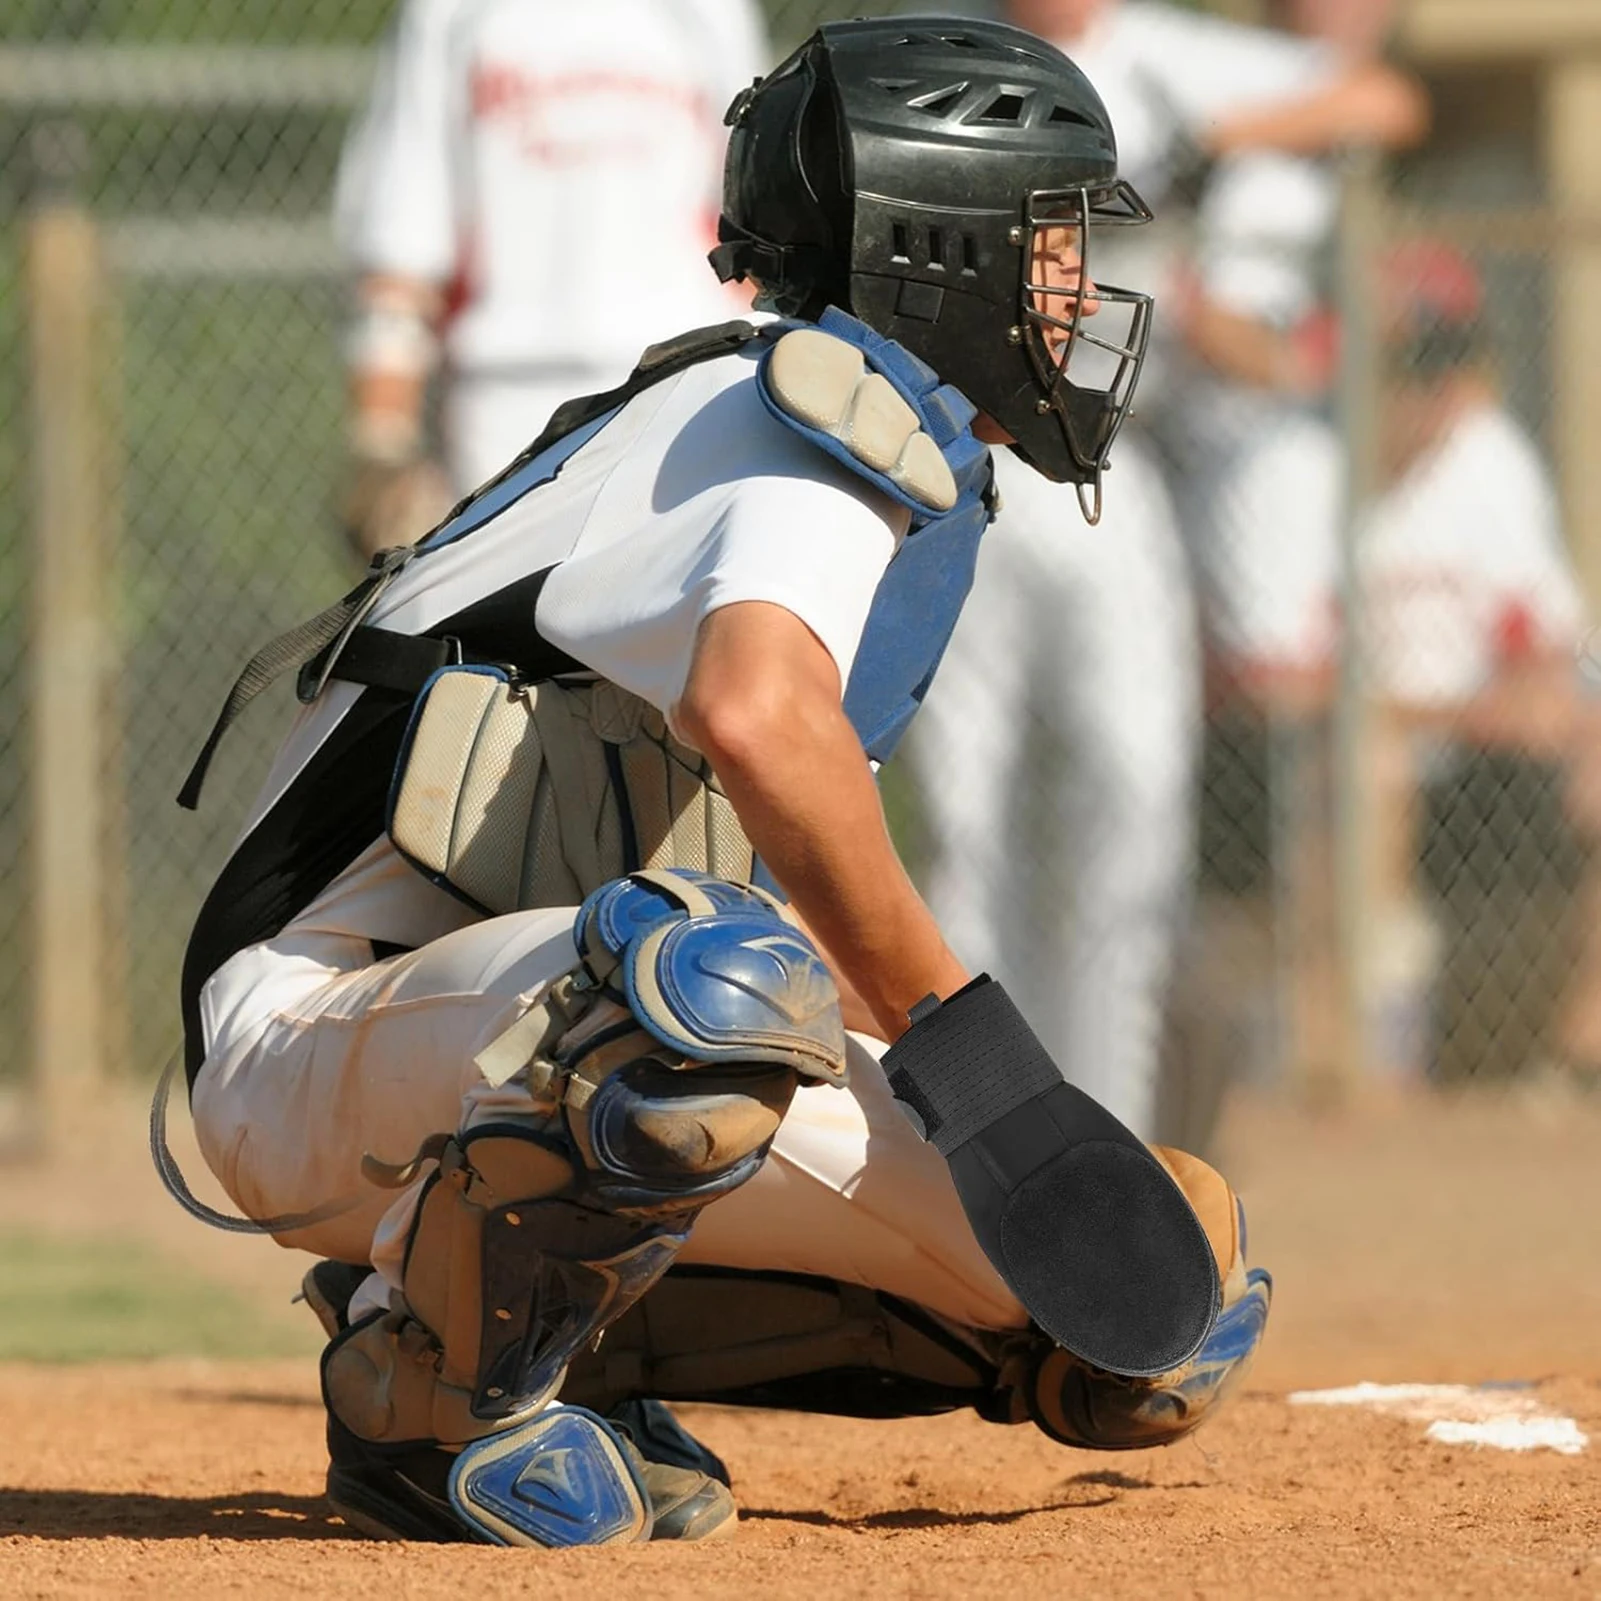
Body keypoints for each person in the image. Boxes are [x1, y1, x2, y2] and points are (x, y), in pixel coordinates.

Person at [171, 20, 1271, 1552]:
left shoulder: (833, 435)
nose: (1077, 289)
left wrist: (1025, 1154)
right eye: (1049, 240)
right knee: (712, 993)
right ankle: (424, 1388)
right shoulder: (799, 425)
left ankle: (564, 1340)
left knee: (1133, 1287)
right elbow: (756, 723)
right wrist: (989, 1079)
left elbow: (760, 839)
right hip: (311, 1033)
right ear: (935, 247)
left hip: (493, 1021)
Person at [908, 0, 1425, 1144]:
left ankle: (1107, 1130)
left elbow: (1383, 99)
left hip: (1110, 465)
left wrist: (1208, 143)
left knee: (1132, 801)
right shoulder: (938, 45)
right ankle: (970, 1131)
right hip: (953, 454)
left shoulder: (1168, 57)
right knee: (965, 822)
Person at [331, 0, 768, 557]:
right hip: (505, 399)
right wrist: (383, 439)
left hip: (690, 383)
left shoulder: (712, 12)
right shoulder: (448, 13)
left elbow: (753, 211)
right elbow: (404, 230)